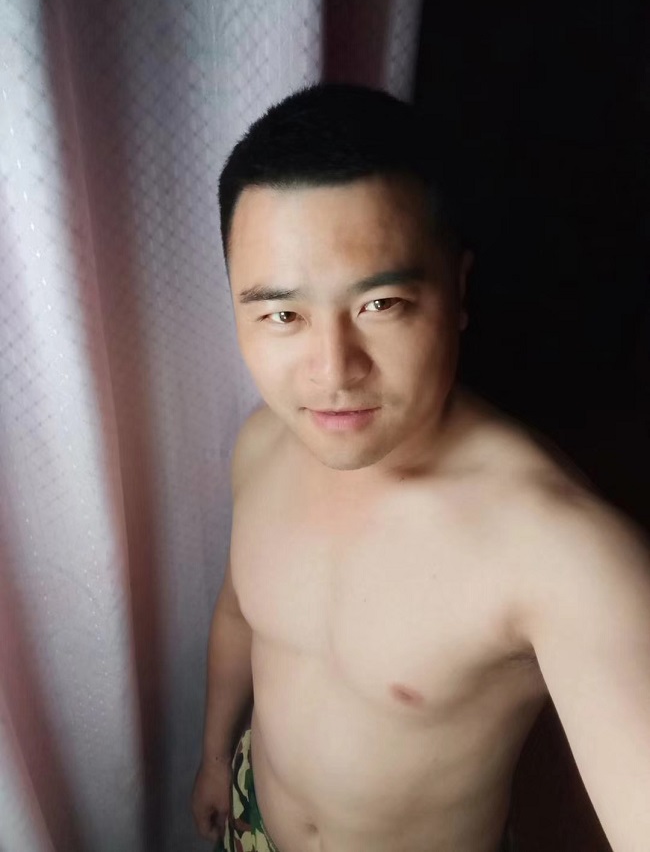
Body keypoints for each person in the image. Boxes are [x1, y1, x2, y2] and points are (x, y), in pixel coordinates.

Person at [191, 83, 650, 852]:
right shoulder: (261, 445)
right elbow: (240, 615)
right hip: (252, 818)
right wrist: (213, 758)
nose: (333, 371)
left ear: (457, 289)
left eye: (382, 305)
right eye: (283, 314)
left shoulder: (563, 552)